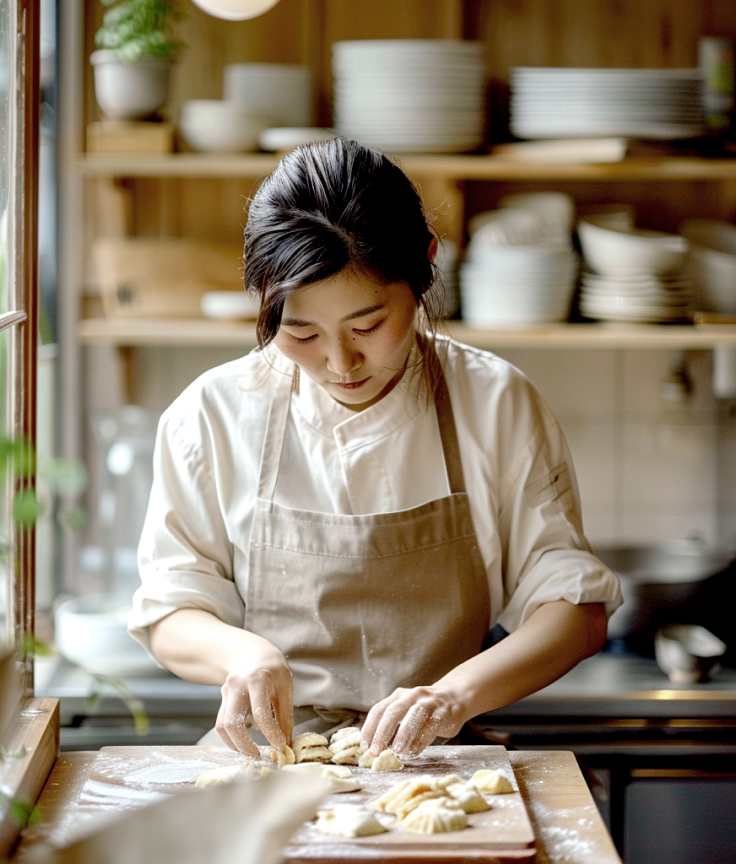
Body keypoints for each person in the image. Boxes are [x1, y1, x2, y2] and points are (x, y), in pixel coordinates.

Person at [129, 138, 622, 760]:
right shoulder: (212, 415)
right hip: (269, 761)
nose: (340, 362)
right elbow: (172, 608)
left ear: (425, 268)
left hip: (438, 757)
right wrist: (244, 654)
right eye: (300, 331)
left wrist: (452, 697)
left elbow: (576, 610)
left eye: (367, 326)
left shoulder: (495, 402)